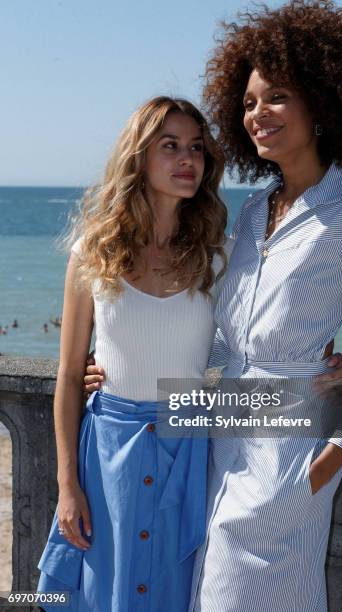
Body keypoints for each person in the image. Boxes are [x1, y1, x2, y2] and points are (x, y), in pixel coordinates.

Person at [177, 2, 342, 611]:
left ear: (324, 103)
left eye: (277, 96)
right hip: (222, 447)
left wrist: (314, 477)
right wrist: (116, 366)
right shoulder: (253, 212)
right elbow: (225, 344)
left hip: (288, 464)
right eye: (249, 102)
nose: (258, 114)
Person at [37, 96, 231, 612]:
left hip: (186, 447)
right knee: (105, 590)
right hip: (107, 453)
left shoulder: (219, 255)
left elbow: (261, 337)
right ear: (139, 157)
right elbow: (68, 372)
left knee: (173, 590)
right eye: (170, 146)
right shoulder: (93, 251)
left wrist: (327, 361)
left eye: (196, 148)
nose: (188, 159)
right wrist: (67, 485)